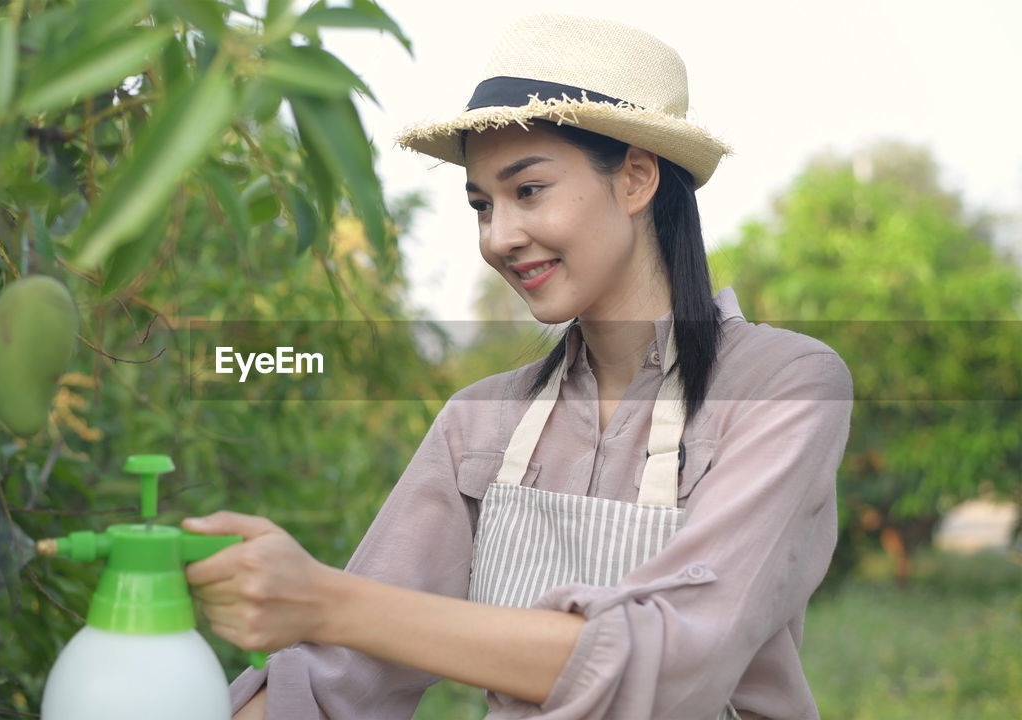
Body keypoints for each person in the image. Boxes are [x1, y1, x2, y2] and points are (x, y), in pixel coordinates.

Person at [183, 14, 853, 720]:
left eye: (527, 190)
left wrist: (323, 601)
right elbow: (337, 681)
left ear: (635, 178)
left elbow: (677, 664)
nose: (499, 237)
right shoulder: (479, 425)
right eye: (481, 205)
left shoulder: (786, 387)